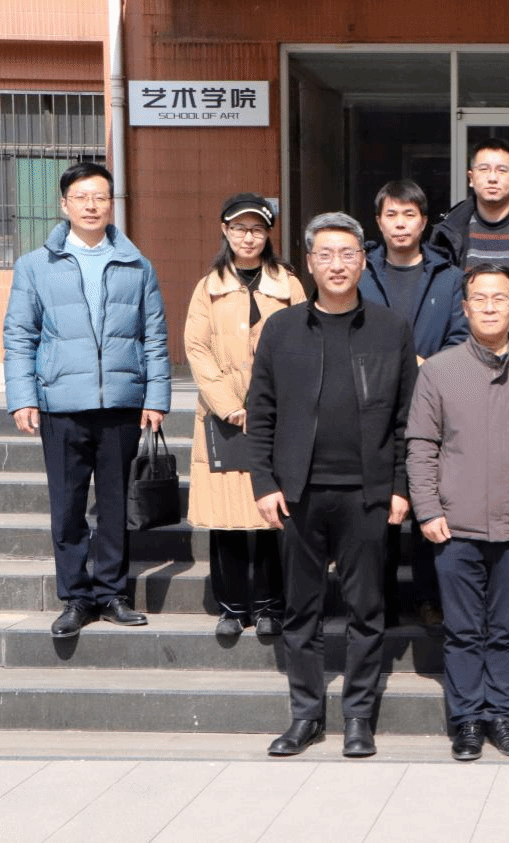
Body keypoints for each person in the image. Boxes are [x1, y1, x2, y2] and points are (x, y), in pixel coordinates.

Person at [249, 212, 417, 759]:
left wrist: (400, 486)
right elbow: (261, 412)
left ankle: (359, 717)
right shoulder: (282, 329)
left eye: (347, 254)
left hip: (367, 493)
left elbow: (406, 419)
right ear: (309, 263)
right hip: (298, 493)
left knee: (366, 610)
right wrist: (264, 482)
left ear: (364, 261)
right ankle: (305, 715)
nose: (337, 264)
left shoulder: (391, 329)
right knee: (302, 611)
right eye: (325, 255)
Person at [406, 264, 509, 762]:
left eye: (500, 298)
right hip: (455, 525)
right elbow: (421, 446)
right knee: (461, 630)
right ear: (465, 307)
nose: (490, 306)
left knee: (506, 628)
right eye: (480, 298)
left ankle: (503, 715)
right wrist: (427, 509)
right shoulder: (438, 370)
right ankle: (467, 720)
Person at [3, 161, 170, 639]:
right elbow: (20, 335)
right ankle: (76, 597)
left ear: (111, 204)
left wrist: (156, 397)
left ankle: (113, 593)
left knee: (115, 505)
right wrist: (22, 397)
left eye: (100, 197)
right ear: (64, 205)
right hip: (61, 403)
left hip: (121, 402)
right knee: (68, 505)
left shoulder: (137, 265)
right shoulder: (35, 265)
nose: (91, 206)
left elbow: (154, 337)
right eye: (81, 197)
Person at [185, 193, 305, 640]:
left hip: (276, 415)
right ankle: (232, 606)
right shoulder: (208, 286)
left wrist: (271, 405)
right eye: (239, 228)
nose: (248, 237)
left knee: (272, 512)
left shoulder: (289, 285)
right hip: (223, 416)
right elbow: (196, 348)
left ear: (268, 233)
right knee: (227, 517)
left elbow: (302, 344)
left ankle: (271, 604)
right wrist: (229, 404)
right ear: (225, 230)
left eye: (256, 229)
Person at [358, 178, 468, 631]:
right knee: (377, 508)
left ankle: (429, 599)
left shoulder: (449, 276)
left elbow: (462, 338)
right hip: (371, 407)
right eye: (391, 215)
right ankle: (379, 601)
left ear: (424, 222)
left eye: (409, 215)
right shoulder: (361, 272)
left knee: (429, 504)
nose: (400, 224)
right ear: (379, 221)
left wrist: (427, 366)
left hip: (433, 408)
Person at [429, 138, 509, 286]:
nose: (492, 178)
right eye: (484, 169)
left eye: (502, 170)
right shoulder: (446, 233)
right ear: (471, 178)